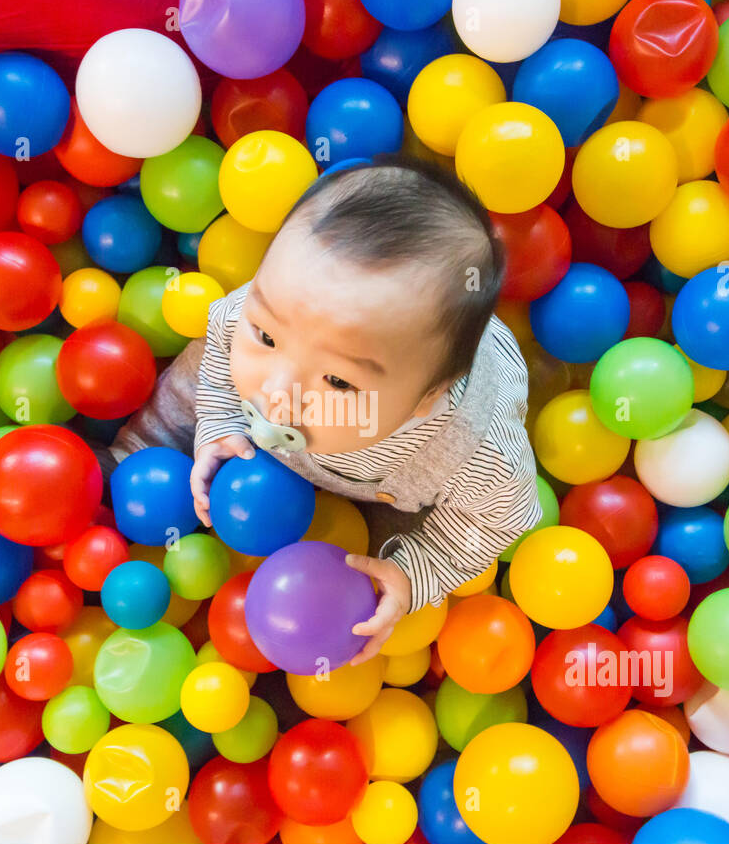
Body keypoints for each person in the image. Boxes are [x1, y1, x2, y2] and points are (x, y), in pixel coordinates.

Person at [107, 152, 543, 664]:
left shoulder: (473, 454)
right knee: (206, 363)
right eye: (266, 335)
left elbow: (498, 520)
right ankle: (121, 459)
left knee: (382, 559)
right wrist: (222, 417)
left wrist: (416, 571)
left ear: (428, 398)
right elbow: (230, 328)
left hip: (387, 484)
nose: (276, 393)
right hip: (282, 389)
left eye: (337, 380)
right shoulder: (268, 317)